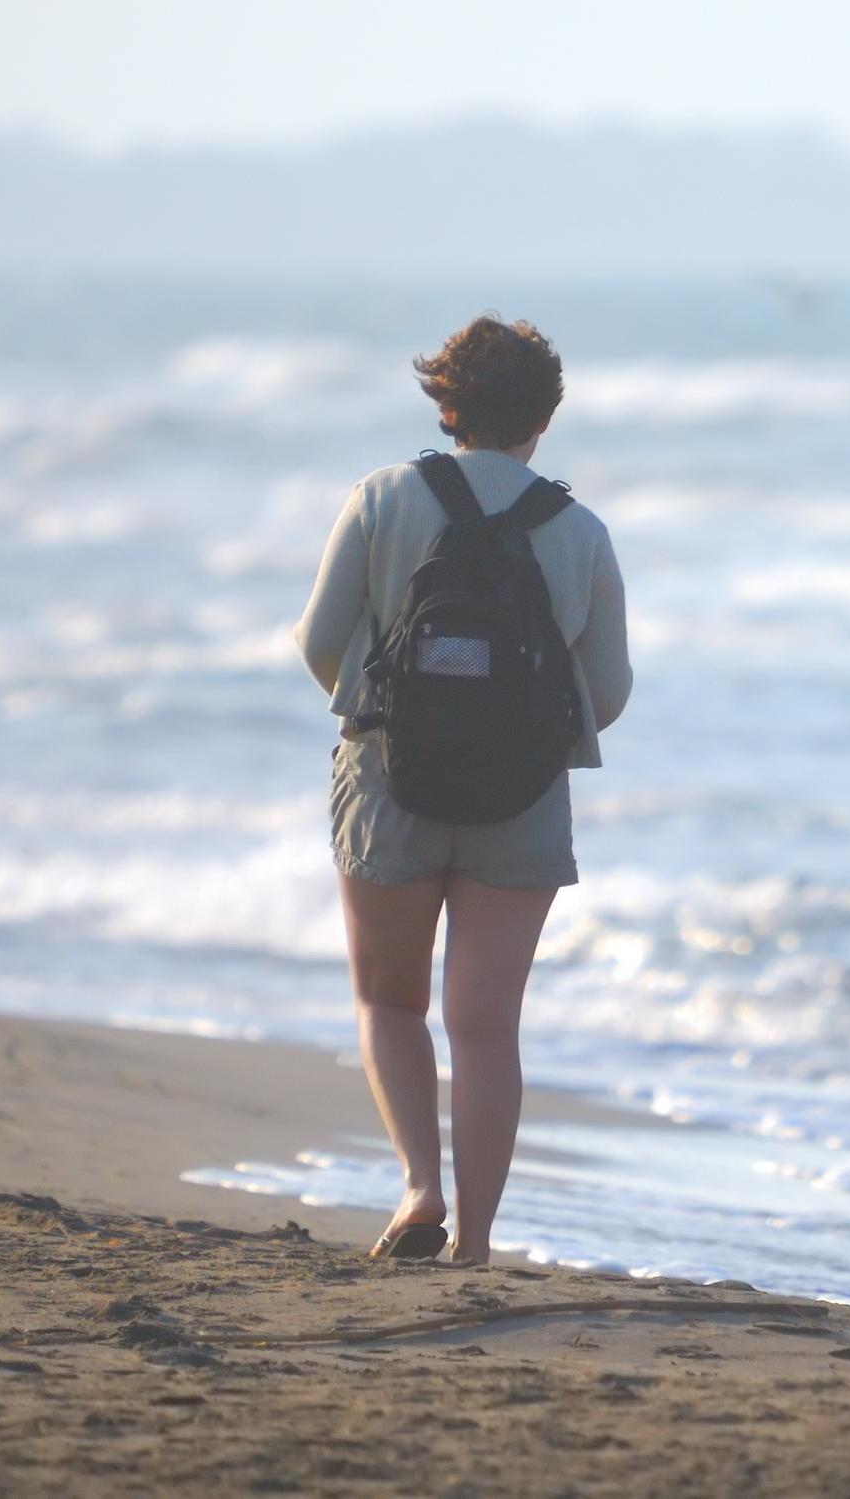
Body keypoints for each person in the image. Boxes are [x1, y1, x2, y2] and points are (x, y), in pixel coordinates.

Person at [293, 315, 630, 1265]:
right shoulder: (580, 532)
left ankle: (419, 1189)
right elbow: (606, 691)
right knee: (485, 1029)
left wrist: (383, 712)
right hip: (521, 801)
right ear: (544, 418)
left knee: (390, 1004)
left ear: (446, 404)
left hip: (388, 780)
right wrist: (519, 736)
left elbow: (318, 640)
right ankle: (474, 1244)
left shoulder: (382, 497)